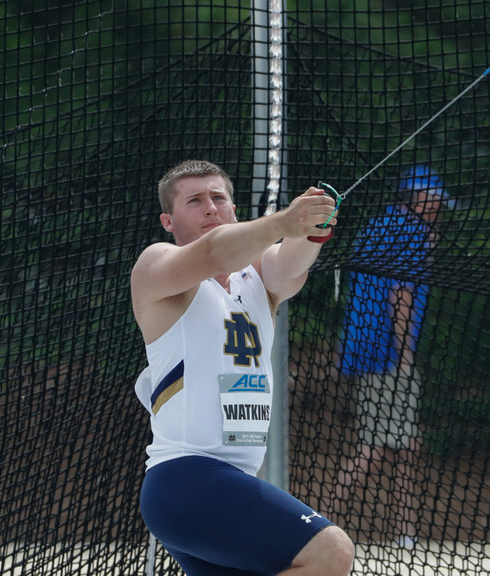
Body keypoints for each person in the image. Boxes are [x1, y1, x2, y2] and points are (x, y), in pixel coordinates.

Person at [131, 160, 354, 576]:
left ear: (234, 208)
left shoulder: (257, 278)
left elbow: (292, 265)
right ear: (168, 220)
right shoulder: (157, 264)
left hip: (228, 482)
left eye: (218, 198)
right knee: (330, 552)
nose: (210, 208)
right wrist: (284, 221)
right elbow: (215, 251)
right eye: (194, 201)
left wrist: (312, 226)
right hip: (185, 478)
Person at [333, 165, 452, 550]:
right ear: (419, 199)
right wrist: (405, 354)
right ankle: (314, 523)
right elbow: (400, 295)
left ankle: (406, 532)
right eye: (434, 202)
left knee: (403, 446)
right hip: (386, 355)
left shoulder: (379, 225)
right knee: (379, 447)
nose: (439, 210)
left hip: (365, 350)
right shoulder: (410, 231)